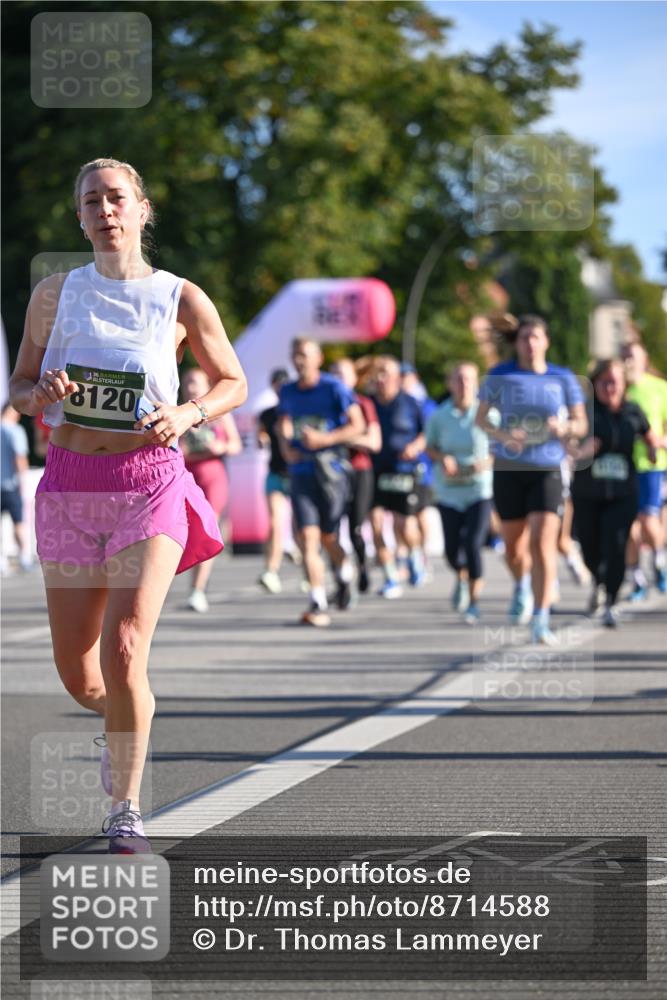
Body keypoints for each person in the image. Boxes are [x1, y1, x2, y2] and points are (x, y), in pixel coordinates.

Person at [8, 158, 247, 852]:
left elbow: (233, 380)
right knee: (81, 674)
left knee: (124, 649)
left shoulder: (179, 297)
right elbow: (19, 389)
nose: (105, 211)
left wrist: (191, 411)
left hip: (149, 483)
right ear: (78, 217)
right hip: (69, 486)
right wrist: (39, 397)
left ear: (142, 209)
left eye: (117, 198)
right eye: (91, 201)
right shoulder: (54, 296)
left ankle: (125, 808)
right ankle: (126, 714)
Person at [476, 315, 588, 644]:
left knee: (542, 543)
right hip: (510, 469)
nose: (530, 344)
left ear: (546, 341)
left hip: (548, 466)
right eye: (524, 338)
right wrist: (504, 434)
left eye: (536, 337)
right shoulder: (500, 375)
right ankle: (522, 585)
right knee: (513, 549)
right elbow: (481, 419)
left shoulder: (562, 378)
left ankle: (541, 617)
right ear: (517, 342)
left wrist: (565, 428)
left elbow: (581, 424)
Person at [276, 337, 363, 626]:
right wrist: (286, 443)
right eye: (295, 355)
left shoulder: (333, 388)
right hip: (302, 473)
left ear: (318, 359)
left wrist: (325, 439)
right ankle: (317, 600)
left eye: (304, 355)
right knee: (308, 539)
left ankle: (344, 571)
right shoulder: (288, 390)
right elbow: (283, 420)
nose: (299, 360)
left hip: (332, 472)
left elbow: (358, 424)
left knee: (329, 538)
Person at [571, 359, 658, 627]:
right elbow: (570, 451)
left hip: (623, 492)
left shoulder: (633, 411)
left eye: (615, 382)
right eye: (604, 382)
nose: (609, 387)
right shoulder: (584, 413)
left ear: (624, 385)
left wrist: (654, 450)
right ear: (595, 384)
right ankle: (597, 579)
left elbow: (649, 436)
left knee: (617, 543)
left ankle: (611, 600)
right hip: (588, 492)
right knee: (589, 545)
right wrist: (586, 451)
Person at [426, 362, 493, 623]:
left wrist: (485, 462)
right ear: (450, 384)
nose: (464, 384)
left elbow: (502, 447)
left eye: (468, 379)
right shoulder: (439, 416)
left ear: (476, 384)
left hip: (479, 489)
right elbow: (429, 446)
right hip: (449, 490)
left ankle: (474, 602)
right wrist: (442, 458)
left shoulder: (487, 414)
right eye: (459, 379)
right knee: (452, 551)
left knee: (474, 544)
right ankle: (461, 577)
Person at [180, 367, 242, 612]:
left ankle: (198, 589)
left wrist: (220, 446)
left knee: (207, 526)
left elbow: (235, 444)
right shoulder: (178, 414)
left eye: (196, 383)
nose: (192, 388)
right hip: (188, 476)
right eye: (188, 383)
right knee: (185, 531)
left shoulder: (219, 413)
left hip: (213, 477)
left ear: (206, 385)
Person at [370, 356, 427, 598]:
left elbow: (426, 434)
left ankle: (414, 554)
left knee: (405, 526)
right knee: (375, 525)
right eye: (378, 373)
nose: (381, 378)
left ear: (397, 378)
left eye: (386, 373)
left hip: (403, 471)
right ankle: (391, 577)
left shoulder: (411, 403)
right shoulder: (368, 403)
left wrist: (415, 447)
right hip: (374, 472)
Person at [329, 358, 381, 593]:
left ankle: (362, 566)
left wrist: (342, 437)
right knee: (330, 531)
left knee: (355, 528)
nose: (338, 379)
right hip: (331, 472)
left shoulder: (363, 403)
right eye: (334, 374)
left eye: (343, 374)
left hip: (359, 470)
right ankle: (341, 580)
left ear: (353, 378)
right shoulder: (325, 403)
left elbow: (374, 442)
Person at [620, 342, 667, 598]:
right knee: (629, 527)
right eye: (624, 355)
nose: (628, 360)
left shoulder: (659, 388)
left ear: (643, 358)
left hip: (652, 465)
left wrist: (660, 442)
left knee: (649, 522)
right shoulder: (617, 389)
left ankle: (659, 563)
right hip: (624, 466)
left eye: (632, 355)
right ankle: (636, 579)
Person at [257, 368, 292, 594]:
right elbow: (262, 435)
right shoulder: (267, 414)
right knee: (275, 523)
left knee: (303, 528)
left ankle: (310, 573)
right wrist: (264, 438)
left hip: (297, 472)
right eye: (276, 385)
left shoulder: (297, 410)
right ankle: (271, 570)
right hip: (275, 472)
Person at [1, 403, 33, 572]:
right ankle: (24, 558)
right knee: (19, 522)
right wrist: (23, 481)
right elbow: (20, 457)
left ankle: (2, 562)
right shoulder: (15, 430)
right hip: (11, 484)